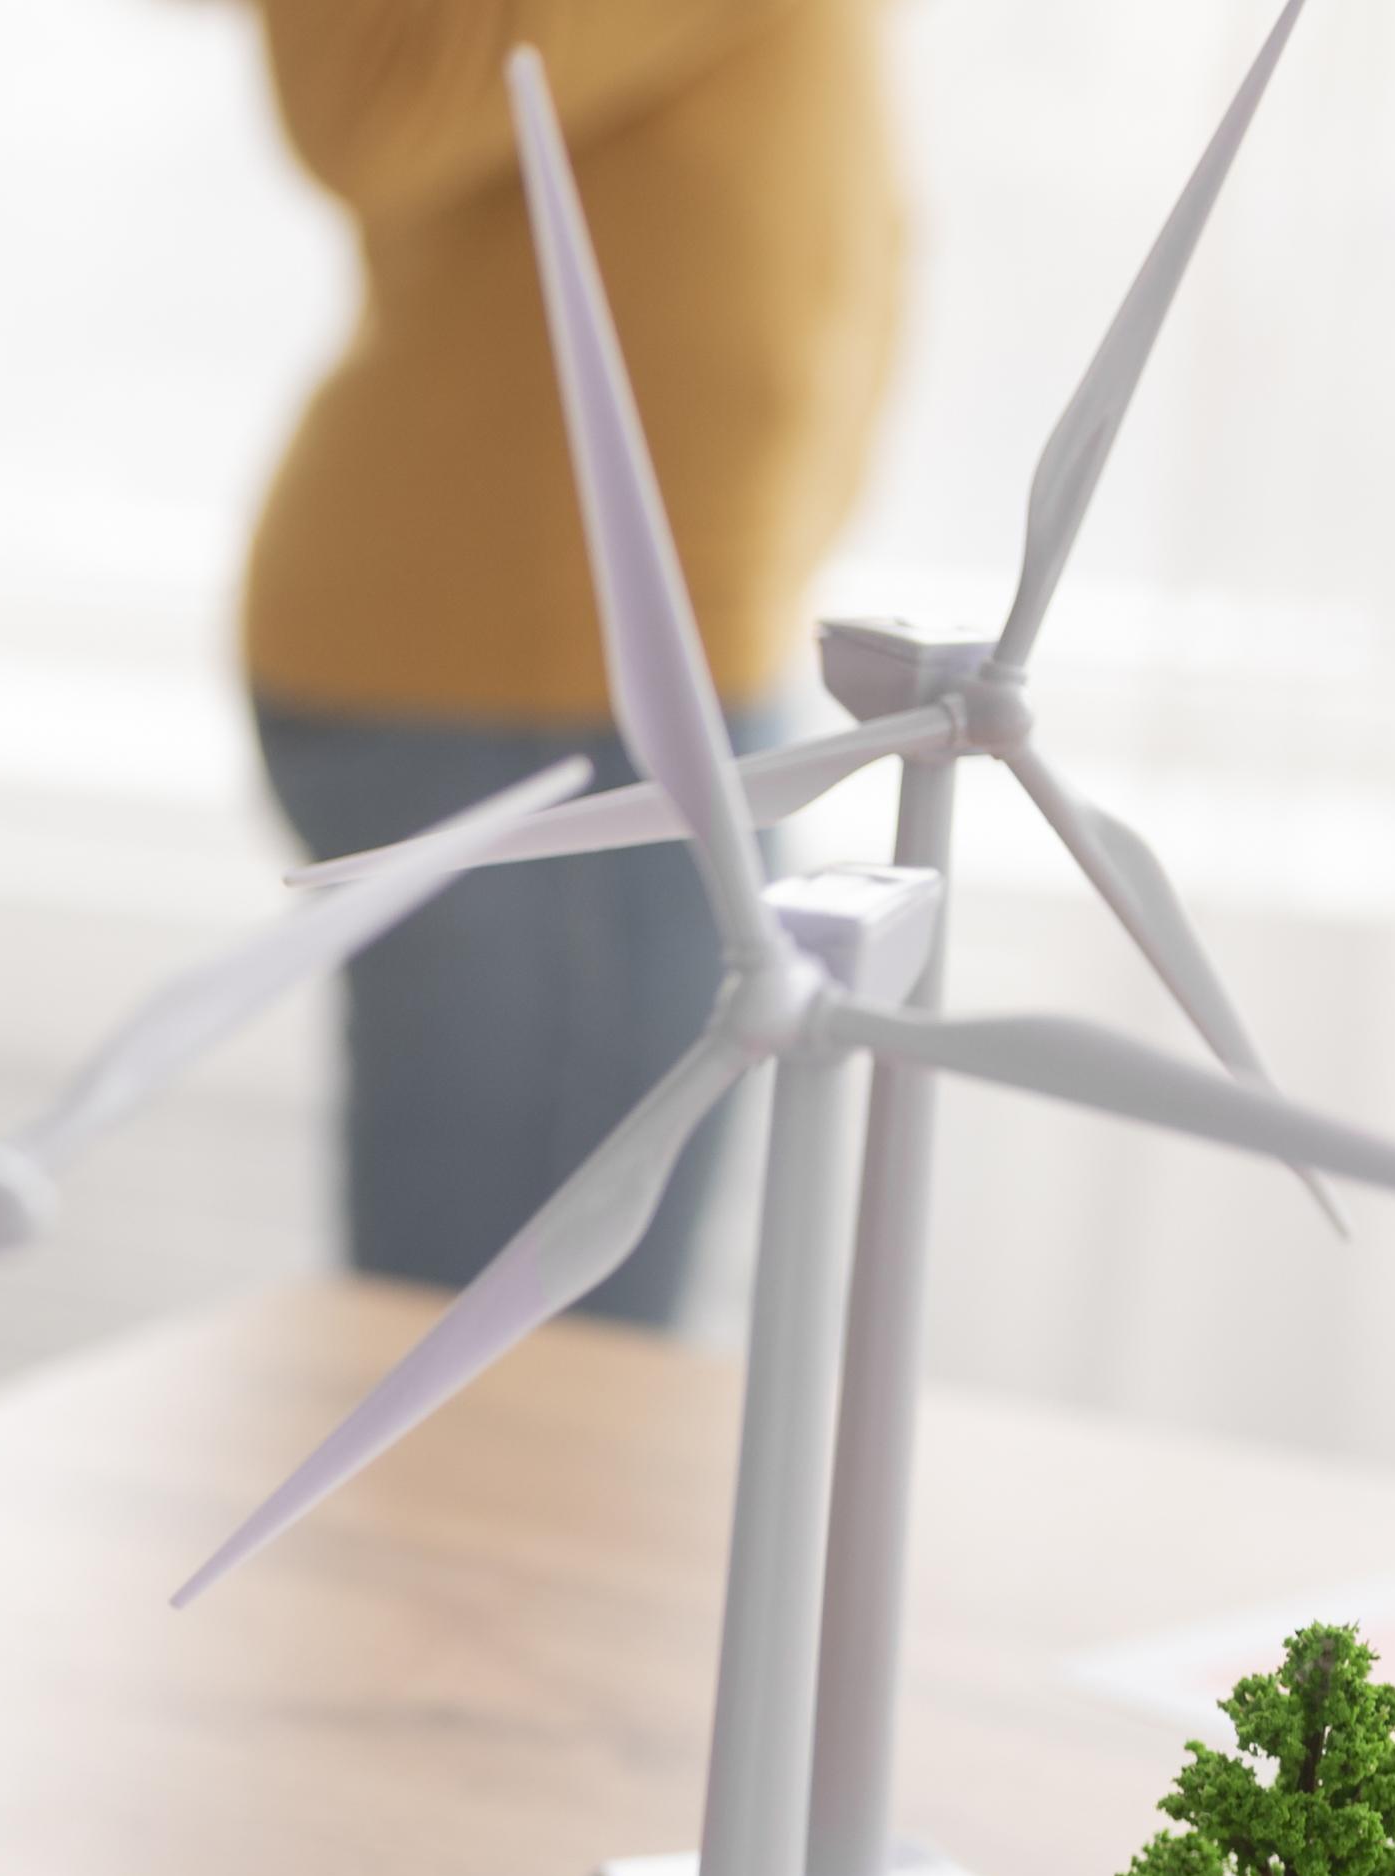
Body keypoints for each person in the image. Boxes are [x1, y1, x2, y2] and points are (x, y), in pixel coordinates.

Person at [241, 0, 901, 1322]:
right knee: (531, 1361)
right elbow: (373, 108)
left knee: (556, 1358)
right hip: (527, 671)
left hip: (621, 658)